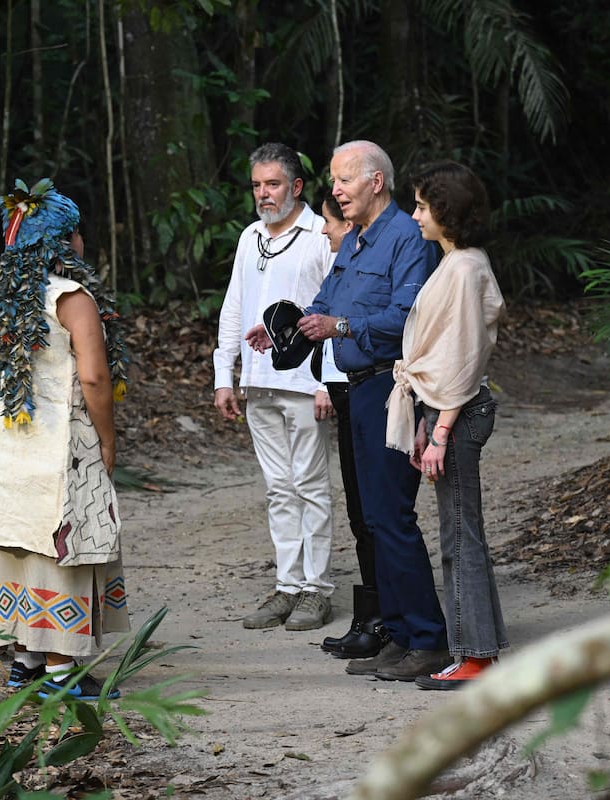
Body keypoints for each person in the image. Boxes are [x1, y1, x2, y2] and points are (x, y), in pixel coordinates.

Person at [249, 140, 447, 679]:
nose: (334, 190)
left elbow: (408, 317)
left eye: (343, 180)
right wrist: (281, 331)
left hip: (391, 387)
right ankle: (398, 635)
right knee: (372, 520)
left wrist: (339, 328)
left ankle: (428, 639)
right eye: (334, 180)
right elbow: (325, 301)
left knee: (392, 517)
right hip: (355, 389)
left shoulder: (408, 238)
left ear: (375, 182)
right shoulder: (355, 240)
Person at [0, 178, 130, 701]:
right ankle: (62, 672)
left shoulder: (4, 301)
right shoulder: (71, 298)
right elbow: (95, 379)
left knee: (20, 547)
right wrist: (106, 438)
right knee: (63, 550)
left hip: (13, 447)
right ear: (66, 241)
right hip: (63, 444)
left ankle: (25, 661)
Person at [385, 160, 507, 689]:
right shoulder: (457, 261)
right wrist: (426, 422)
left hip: (456, 412)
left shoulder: (462, 268)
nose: (414, 216)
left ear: (446, 212)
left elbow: (462, 357)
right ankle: (478, 649)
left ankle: (474, 656)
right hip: (443, 409)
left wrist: (439, 431)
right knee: (461, 533)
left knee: (460, 536)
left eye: (421, 206)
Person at [213, 142, 337, 632]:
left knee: (310, 485)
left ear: (296, 186)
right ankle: (288, 586)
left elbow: (333, 308)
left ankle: (317, 589)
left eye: (274, 184)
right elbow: (234, 307)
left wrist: (330, 381)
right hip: (259, 383)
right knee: (279, 489)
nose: (264, 194)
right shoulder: (250, 237)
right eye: (258, 185)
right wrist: (226, 373)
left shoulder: (319, 236)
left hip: (307, 383)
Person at [311, 196, 385, 660]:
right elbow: (322, 311)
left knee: (376, 512)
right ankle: (371, 614)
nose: (324, 230)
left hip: (370, 385)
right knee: (360, 512)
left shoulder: (375, 257)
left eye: (329, 221)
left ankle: (384, 618)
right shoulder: (345, 259)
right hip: (344, 387)